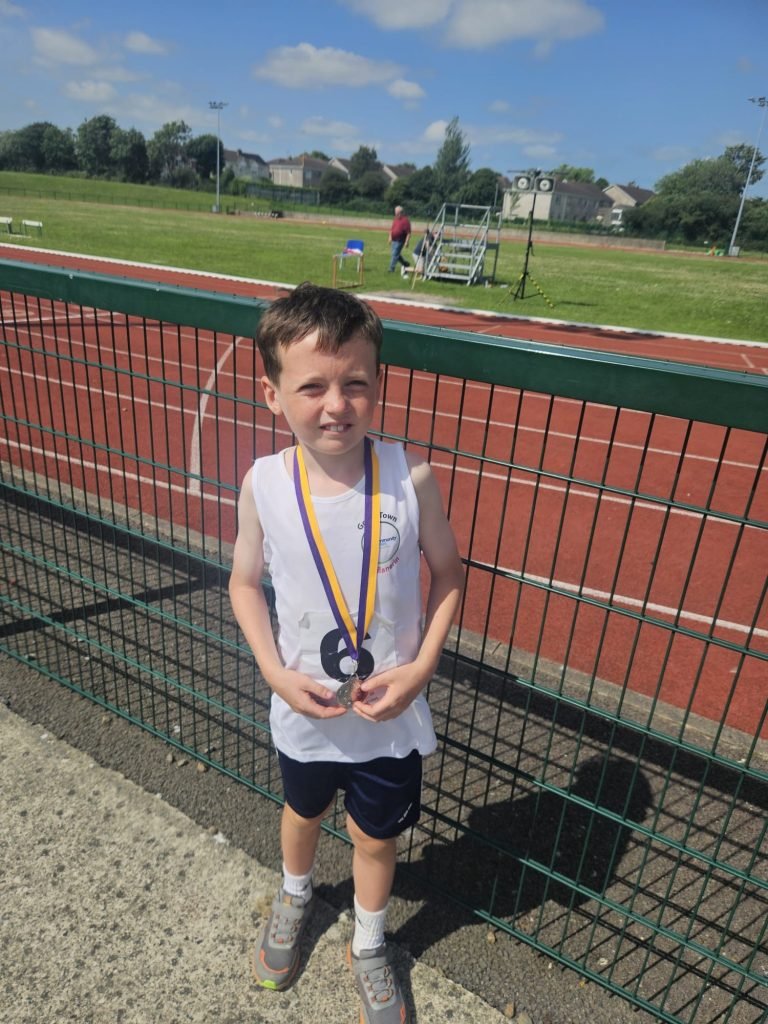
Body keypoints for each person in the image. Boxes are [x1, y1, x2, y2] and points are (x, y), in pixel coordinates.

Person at [229, 282, 464, 1024]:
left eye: (355, 382)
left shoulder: (410, 477)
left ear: (379, 383)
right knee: (302, 812)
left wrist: (421, 669)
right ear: (273, 395)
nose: (336, 404)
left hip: (388, 717)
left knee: (375, 836)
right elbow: (242, 583)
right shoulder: (264, 484)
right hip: (305, 709)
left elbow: (449, 574)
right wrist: (273, 672)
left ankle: (368, 943)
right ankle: (295, 895)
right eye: (312, 387)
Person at [388, 205, 411, 273]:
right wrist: (390, 237)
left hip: (400, 240)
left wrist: (406, 242)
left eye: (396, 211)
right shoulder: (395, 219)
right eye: (395, 211)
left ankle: (391, 269)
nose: (395, 212)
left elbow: (408, 233)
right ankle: (405, 264)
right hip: (394, 240)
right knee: (395, 254)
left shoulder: (405, 220)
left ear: (400, 212)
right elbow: (391, 229)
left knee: (394, 254)